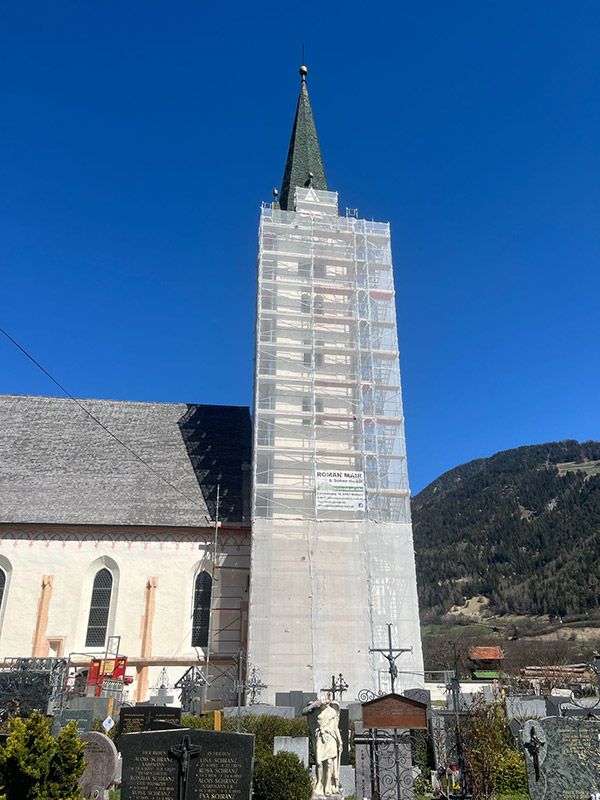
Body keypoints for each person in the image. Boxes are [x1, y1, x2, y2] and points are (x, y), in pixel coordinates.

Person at [302, 699, 343, 796]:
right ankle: (319, 782)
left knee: (329, 763)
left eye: (325, 701)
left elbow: (335, 728)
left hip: (330, 738)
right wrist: (313, 705)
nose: (323, 703)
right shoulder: (316, 711)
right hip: (320, 738)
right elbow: (303, 712)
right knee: (319, 762)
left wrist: (340, 742)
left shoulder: (332, 712)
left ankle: (327, 787)